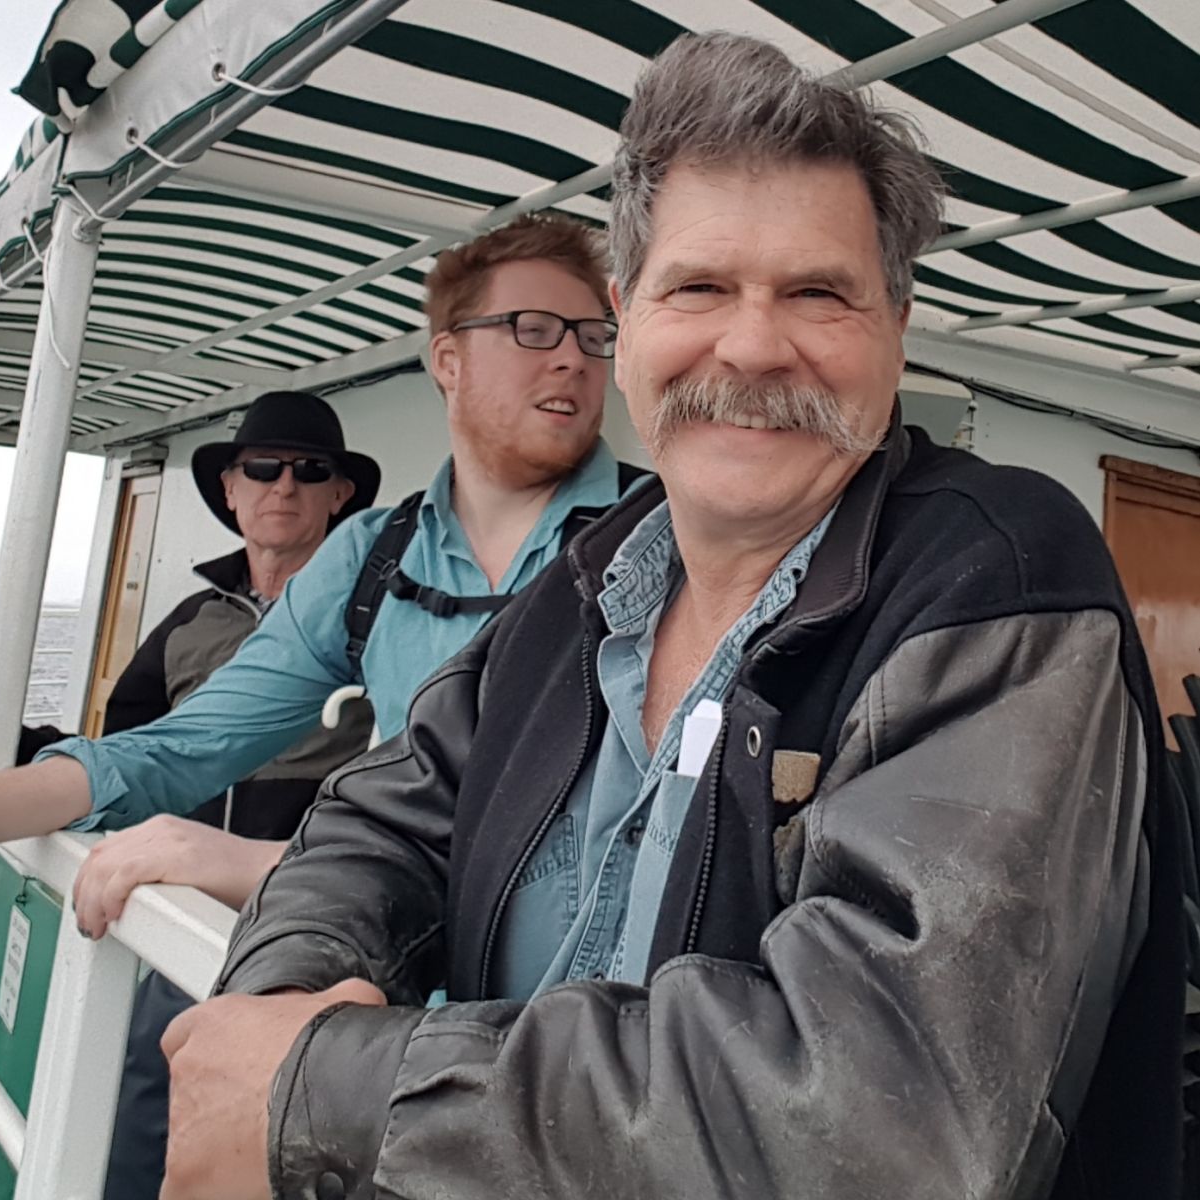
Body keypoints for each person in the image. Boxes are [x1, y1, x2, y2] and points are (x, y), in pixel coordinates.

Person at [153, 32, 1185, 1200]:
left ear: (895, 328)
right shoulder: (581, 588)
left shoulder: (997, 574)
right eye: (699, 287)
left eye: (817, 293)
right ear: (626, 320)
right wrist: (287, 997)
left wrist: (323, 1088)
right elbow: (375, 825)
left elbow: (887, 1115)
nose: (751, 345)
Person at [0, 213, 647, 1197]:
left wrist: (242, 863)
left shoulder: (654, 538)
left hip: (567, 1060)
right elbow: (169, 749)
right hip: (377, 1019)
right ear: (447, 359)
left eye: (594, 335)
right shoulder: (376, 555)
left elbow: (602, 846)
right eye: (535, 328)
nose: (574, 360)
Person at [0, 388, 378, 830]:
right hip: (175, 889)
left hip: (314, 890)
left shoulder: (378, 616)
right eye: (261, 467)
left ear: (341, 494)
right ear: (230, 489)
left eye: (312, 470)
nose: (285, 485)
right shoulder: (188, 623)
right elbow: (125, 745)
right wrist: (13, 741)